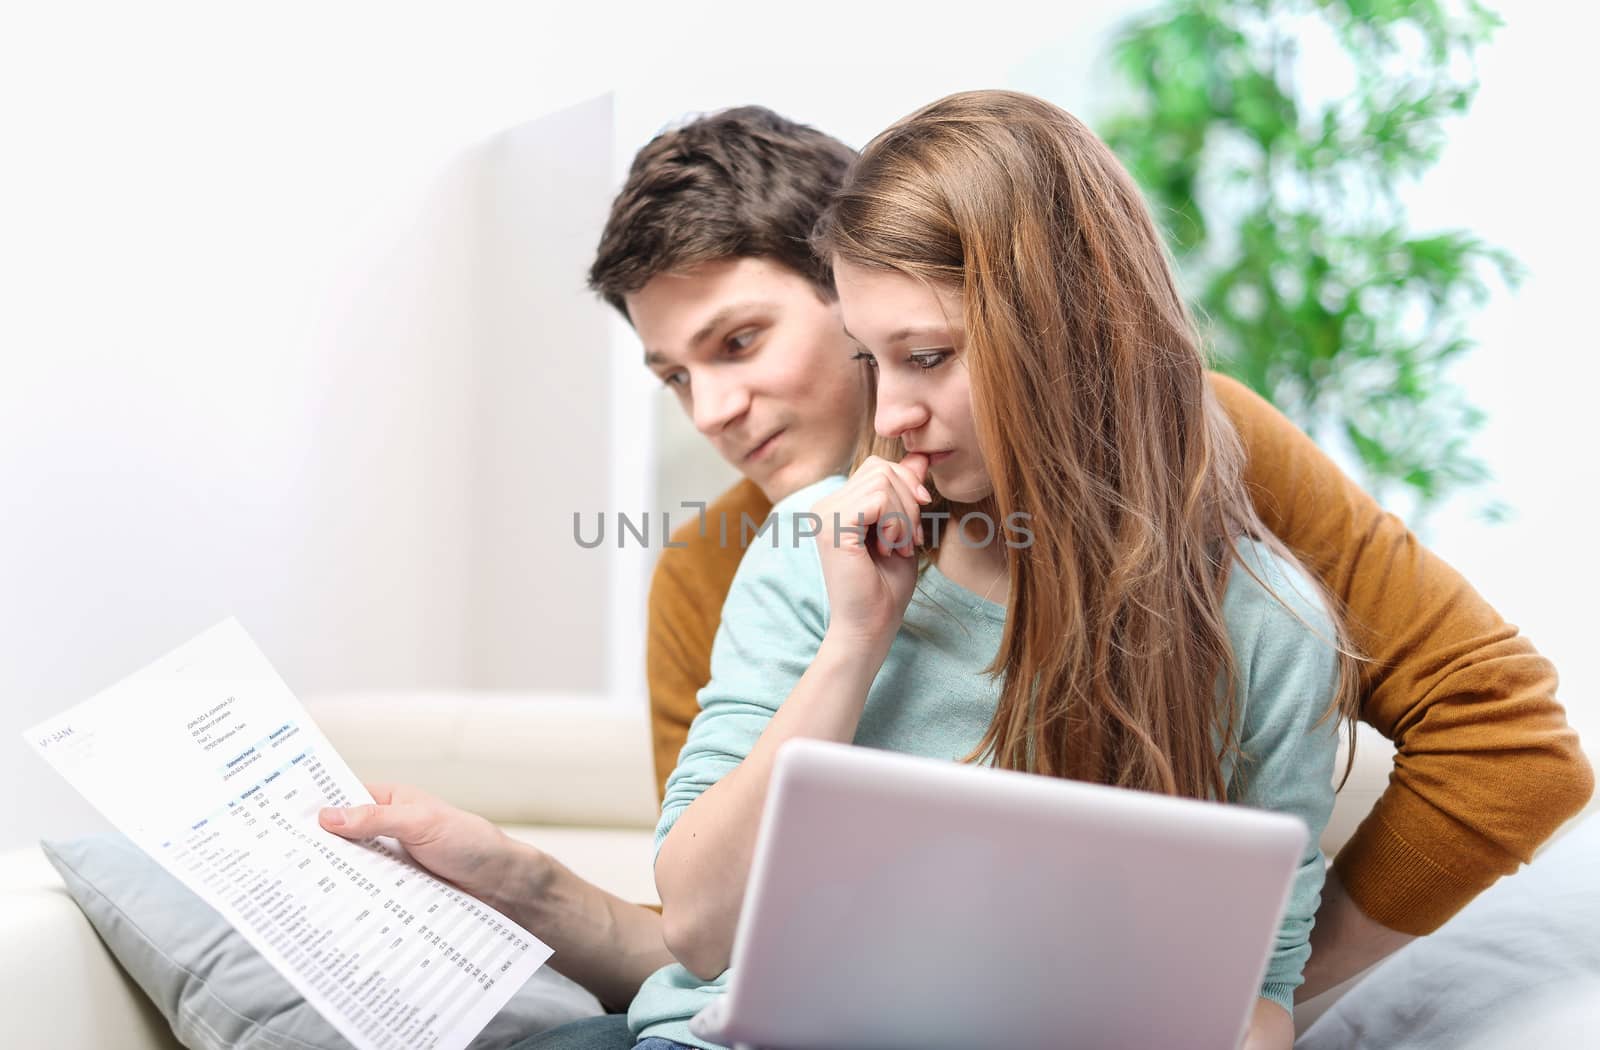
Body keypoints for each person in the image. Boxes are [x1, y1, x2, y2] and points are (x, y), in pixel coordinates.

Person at [317, 102, 1592, 1048]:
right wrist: (527, 880)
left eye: (744, 341)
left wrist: (1185, 1001)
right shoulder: (743, 570)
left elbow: (1499, 751)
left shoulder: (1223, 493)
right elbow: (712, 941)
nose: (713, 410)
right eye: (671, 378)